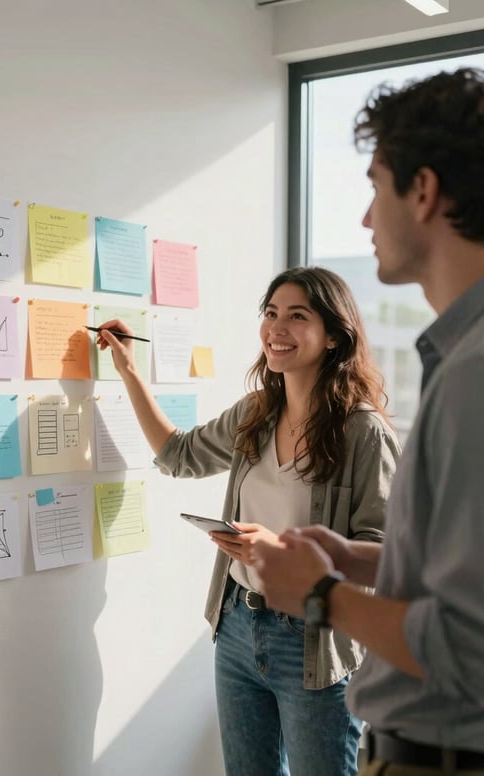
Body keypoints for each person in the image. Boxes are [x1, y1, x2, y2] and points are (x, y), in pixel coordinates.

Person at [254, 67, 484, 776]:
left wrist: (322, 595)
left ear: (422, 191)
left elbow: (468, 649)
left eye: (374, 187)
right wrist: (363, 562)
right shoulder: (458, 356)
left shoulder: (473, 372)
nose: (363, 219)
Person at [96, 265, 401, 776]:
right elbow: (179, 454)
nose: (276, 329)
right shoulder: (257, 411)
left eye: (297, 316)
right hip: (237, 625)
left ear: (332, 336)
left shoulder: (362, 430)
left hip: (314, 641)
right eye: (270, 313)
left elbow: (384, 550)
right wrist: (128, 370)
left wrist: (281, 551)